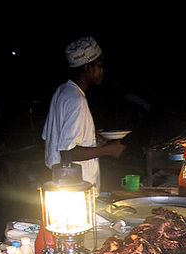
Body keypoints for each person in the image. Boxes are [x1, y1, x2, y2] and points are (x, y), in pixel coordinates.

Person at [42, 36, 125, 193]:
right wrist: (108, 150)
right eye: (99, 65)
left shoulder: (62, 91)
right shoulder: (76, 100)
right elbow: (68, 152)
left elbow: (53, 138)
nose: (102, 70)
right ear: (87, 67)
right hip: (75, 188)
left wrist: (92, 139)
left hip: (62, 183)